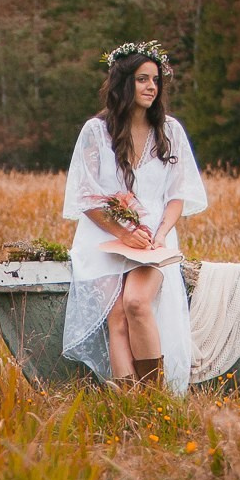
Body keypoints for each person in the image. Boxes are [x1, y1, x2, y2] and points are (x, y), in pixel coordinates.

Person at [60, 41, 211, 390]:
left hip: (153, 239)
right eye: (142, 79)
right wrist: (123, 232)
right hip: (103, 238)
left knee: (136, 303)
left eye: (155, 81)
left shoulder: (169, 131)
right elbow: (85, 195)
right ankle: (133, 405)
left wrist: (159, 235)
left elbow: (177, 196)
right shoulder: (96, 132)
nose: (151, 87)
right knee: (115, 317)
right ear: (123, 83)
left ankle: (155, 394)